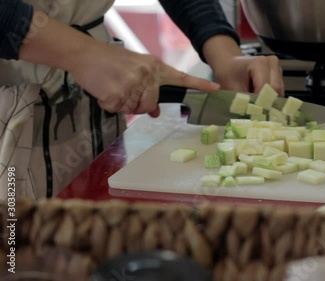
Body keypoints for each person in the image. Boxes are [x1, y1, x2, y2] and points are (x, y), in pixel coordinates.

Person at [0, 0, 284, 200]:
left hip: (91, 110)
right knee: (13, 252)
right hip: (10, 86)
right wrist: (80, 54)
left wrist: (224, 53)